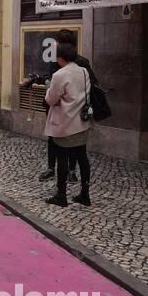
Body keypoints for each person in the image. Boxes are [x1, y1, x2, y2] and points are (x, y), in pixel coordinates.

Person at [39, 31, 99, 184]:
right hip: (68, 113)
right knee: (58, 141)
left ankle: (67, 178)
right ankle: (53, 168)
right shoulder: (58, 61)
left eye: (57, 41)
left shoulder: (80, 63)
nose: (55, 44)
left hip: (68, 112)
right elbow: (51, 78)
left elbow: (54, 90)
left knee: (68, 147)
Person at [43, 40, 92, 208]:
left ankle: (61, 195)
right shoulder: (84, 71)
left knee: (62, 158)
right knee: (82, 157)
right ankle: (85, 194)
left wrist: (49, 87)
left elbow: (51, 99)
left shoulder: (59, 75)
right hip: (81, 122)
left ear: (61, 58)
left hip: (64, 123)